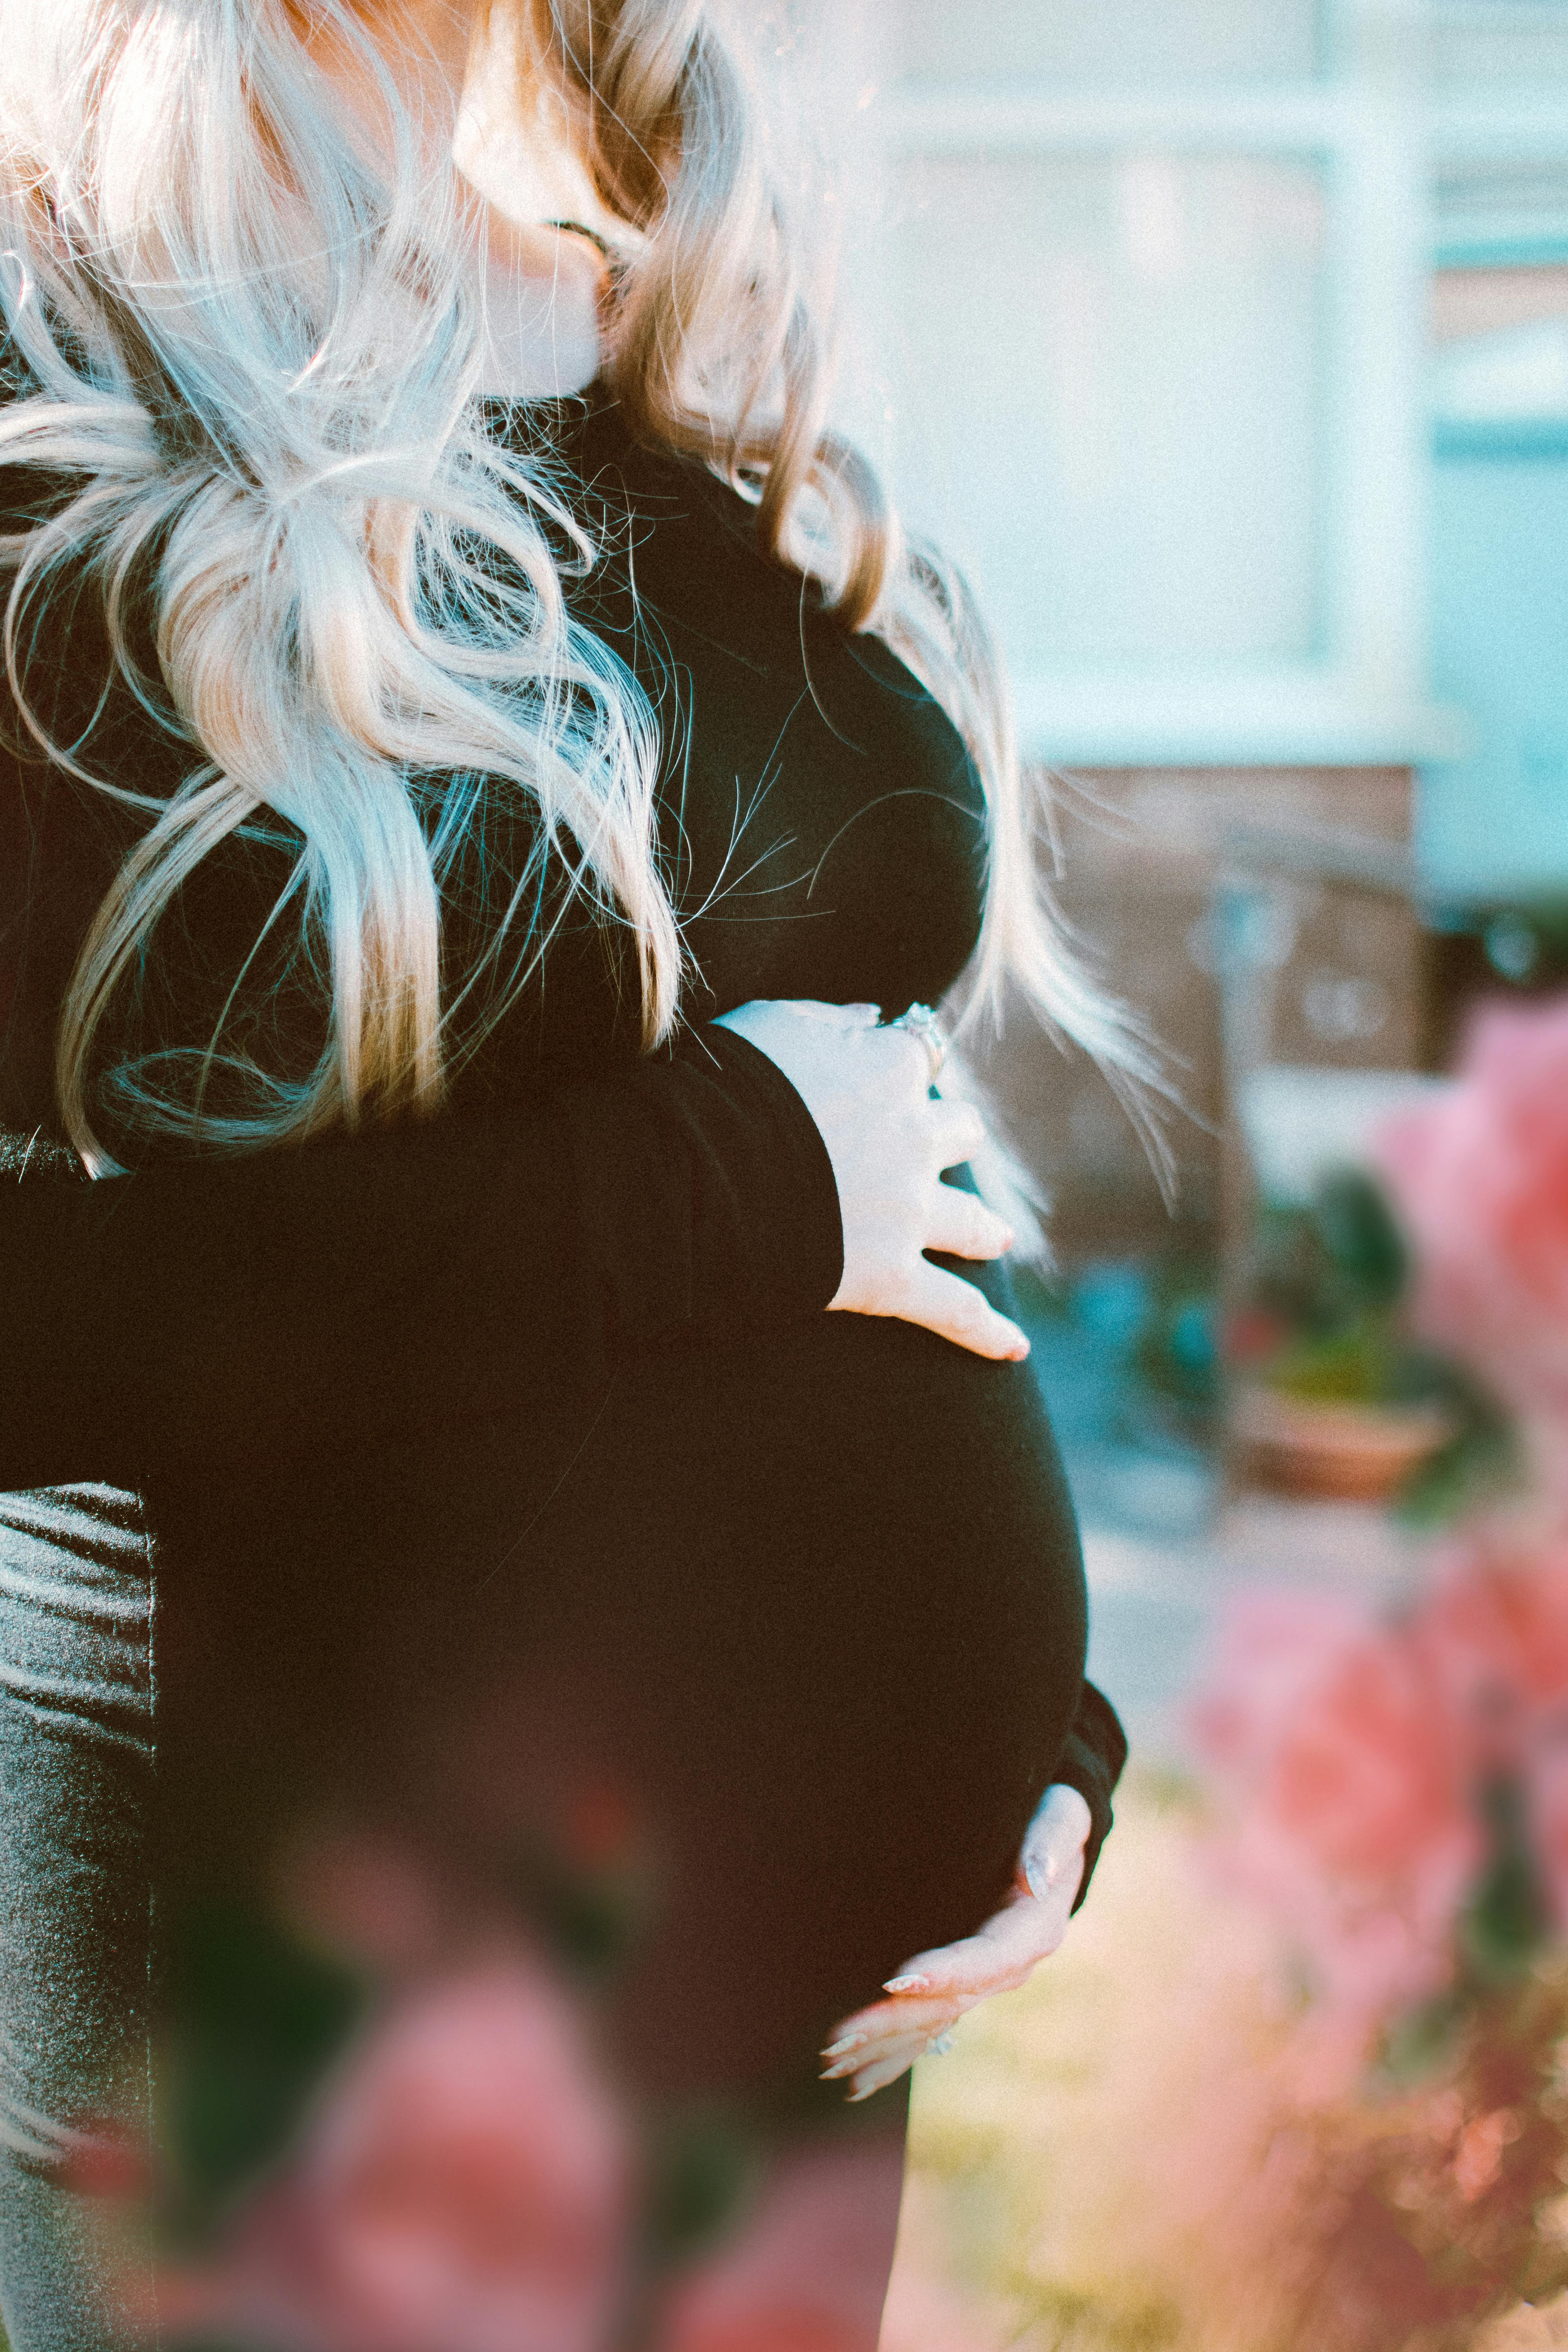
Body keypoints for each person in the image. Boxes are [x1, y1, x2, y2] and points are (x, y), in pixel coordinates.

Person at [0, 1, 1140, 2342]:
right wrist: (726, 1189)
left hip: (776, 2054)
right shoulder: (60, 350)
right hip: (282, 2039)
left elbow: (871, 1120)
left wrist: (1044, 1744)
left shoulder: (646, 288)